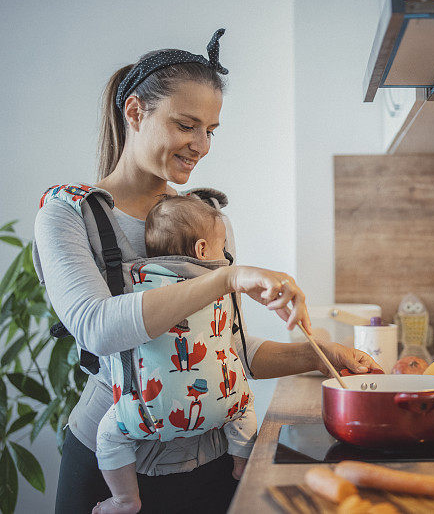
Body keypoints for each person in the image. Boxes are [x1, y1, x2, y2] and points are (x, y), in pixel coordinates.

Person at [33, 28, 381, 513]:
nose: (202, 144)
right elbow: (96, 328)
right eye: (186, 125)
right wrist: (224, 277)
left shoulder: (207, 219)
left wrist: (321, 354)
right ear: (135, 112)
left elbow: (220, 350)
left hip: (212, 467)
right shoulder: (68, 214)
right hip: (109, 468)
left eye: (211, 130)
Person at [93, 194, 258, 514]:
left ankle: (125, 500)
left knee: (109, 437)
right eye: (220, 245)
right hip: (222, 403)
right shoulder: (220, 284)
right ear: (201, 250)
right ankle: (241, 465)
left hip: (147, 411)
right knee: (245, 407)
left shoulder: (132, 285)